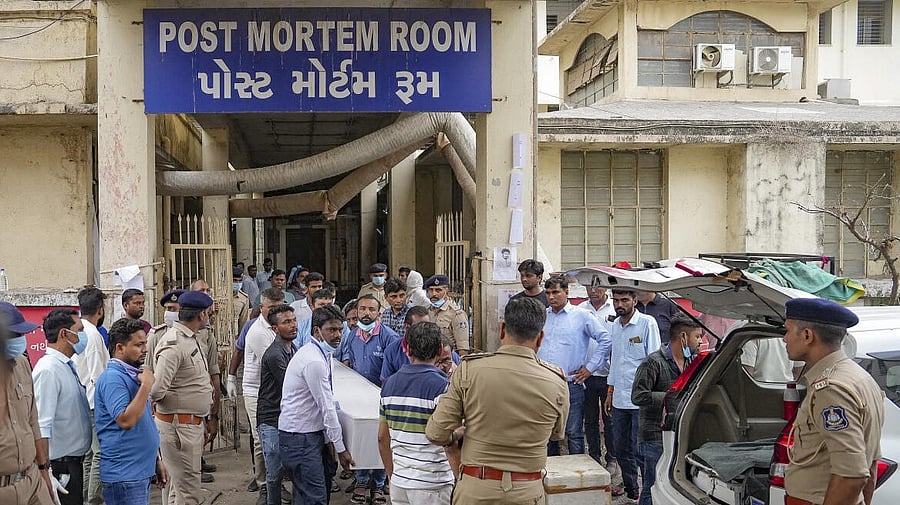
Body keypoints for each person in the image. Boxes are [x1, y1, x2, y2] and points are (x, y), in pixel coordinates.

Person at [425, 297, 568, 505]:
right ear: (540, 338)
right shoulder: (556, 381)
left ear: (502, 330)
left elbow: (435, 433)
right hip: (527, 489)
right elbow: (556, 434)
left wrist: (458, 435)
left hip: (476, 488)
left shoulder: (469, 370)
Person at [783, 298, 884, 505]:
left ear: (807, 335)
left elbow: (852, 476)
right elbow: (871, 463)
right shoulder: (859, 376)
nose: (784, 339)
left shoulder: (831, 388)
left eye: (788, 330)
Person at [280, 306, 355, 505]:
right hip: (300, 438)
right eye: (331, 330)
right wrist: (340, 448)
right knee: (315, 499)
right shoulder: (313, 361)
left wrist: (329, 440)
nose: (337, 335)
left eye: (340, 329)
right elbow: (327, 407)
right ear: (316, 331)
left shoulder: (322, 355)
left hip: (308, 435)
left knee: (309, 496)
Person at [378, 322, 456, 505]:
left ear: (408, 348)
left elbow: (382, 437)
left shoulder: (389, 385)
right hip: (433, 485)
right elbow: (449, 441)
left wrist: (392, 475)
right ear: (439, 350)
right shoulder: (442, 387)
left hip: (400, 482)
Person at [150, 291, 215, 505]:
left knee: (177, 490)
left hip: (188, 423)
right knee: (187, 493)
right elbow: (157, 390)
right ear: (202, 315)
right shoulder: (174, 344)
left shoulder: (190, 339)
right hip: (179, 427)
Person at [94, 318, 168, 505]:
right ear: (120, 348)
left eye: (145, 344)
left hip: (138, 471)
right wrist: (146, 386)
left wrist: (155, 460)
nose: (145, 349)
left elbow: (145, 420)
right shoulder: (113, 378)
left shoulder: (134, 374)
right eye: (139, 345)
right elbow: (126, 420)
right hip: (125, 475)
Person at [631, 316, 703, 505]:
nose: (701, 341)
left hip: (677, 436)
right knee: (652, 485)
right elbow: (638, 396)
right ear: (683, 337)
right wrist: (669, 397)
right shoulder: (653, 362)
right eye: (697, 336)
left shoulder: (692, 361)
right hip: (653, 436)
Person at [537, 276, 612, 457]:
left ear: (567, 292)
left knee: (574, 433)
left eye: (556, 292)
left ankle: (577, 478)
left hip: (571, 384)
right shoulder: (542, 317)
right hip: (544, 384)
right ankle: (551, 475)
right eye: (548, 293)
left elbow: (605, 340)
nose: (551, 297)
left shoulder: (581, 316)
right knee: (547, 434)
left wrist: (590, 368)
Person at [604, 289, 661, 503]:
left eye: (625, 300)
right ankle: (632, 490)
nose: (620, 304)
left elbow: (655, 361)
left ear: (635, 301)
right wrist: (610, 391)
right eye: (616, 300)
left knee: (642, 450)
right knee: (620, 447)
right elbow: (615, 361)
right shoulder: (616, 326)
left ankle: (650, 492)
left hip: (641, 401)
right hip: (619, 398)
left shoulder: (647, 323)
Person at [340, 295, 398, 502]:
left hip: (382, 399)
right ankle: (362, 482)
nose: (366, 313)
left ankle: (379, 485)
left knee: (381, 440)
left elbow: (394, 371)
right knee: (361, 440)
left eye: (371, 309)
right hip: (358, 400)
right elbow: (349, 363)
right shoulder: (352, 335)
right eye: (362, 309)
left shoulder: (389, 338)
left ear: (379, 313)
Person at [32, 309, 92, 505]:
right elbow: (42, 425)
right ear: (64, 334)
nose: (83, 336)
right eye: (79, 330)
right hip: (60, 467)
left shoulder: (65, 365)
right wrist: (45, 471)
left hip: (73, 464)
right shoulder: (48, 370)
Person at [0, 302, 55, 505]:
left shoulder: (22, 363)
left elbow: (33, 421)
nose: (20, 341)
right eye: (13, 336)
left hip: (31, 479)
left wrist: (43, 470)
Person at [242, 288, 286, 503]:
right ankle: (264, 485)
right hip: (256, 391)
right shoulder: (260, 331)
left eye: (280, 306)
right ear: (262, 308)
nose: (276, 311)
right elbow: (279, 364)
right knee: (262, 440)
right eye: (272, 308)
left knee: (276, 439)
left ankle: (275, 481)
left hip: (272, 390)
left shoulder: (279, 327)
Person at [257, 305, 298, 505]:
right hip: (271, 418)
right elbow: (292, 385)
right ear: (274, 328)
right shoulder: (275, 354)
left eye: (293, 320)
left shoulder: (292, 349)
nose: (293, 325)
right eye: (286, 322)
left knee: (288, 468)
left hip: (286, 416)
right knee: (274, 472)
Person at [71, 287, 109, 505]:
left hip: (84, 401)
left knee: (88, 455)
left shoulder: (81, 331)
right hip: (94, 403)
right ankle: (93, 499)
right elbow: (97, 376)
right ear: (101, 310)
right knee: (99, 453)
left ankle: (85, 497)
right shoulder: (93, 335)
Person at [578, 285, 617, 469]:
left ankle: (612, 458)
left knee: (609, 420)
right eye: (589, 287)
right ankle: (593, 456)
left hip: (609, 374)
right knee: (590, 420)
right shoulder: (580, 310)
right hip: (586, 374)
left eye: (598, 287)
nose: (594, 291)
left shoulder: (615, 309)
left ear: (605, 288)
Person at [380, 306, 430, 383]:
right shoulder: (392, 350)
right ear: (407, 327)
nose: (424, 331)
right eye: (419, 327)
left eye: (427, 326)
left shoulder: (439, 348)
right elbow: (386, 382)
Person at [424, 275, 470, 356]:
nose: (434, 294)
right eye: (431, 290)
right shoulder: (427, 311)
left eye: (438, 290)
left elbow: (463, 349)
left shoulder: (456, 314)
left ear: (446, 292)